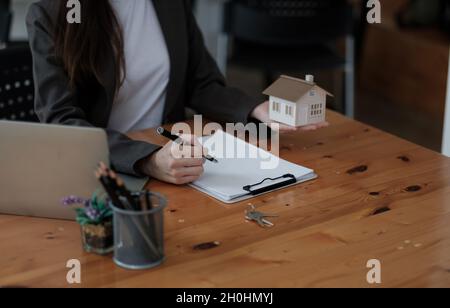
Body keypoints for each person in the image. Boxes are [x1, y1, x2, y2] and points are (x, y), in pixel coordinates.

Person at [26, 0, 328, 185]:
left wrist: (256, 110)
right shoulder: (49, 14)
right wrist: (147, 160)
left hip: (178, 160)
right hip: (105, 169)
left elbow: (201, 82)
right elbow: (60, 121)